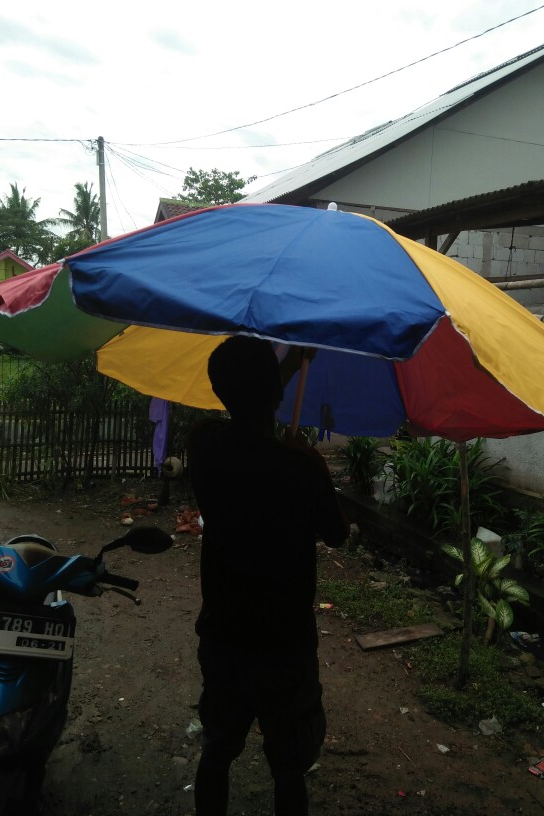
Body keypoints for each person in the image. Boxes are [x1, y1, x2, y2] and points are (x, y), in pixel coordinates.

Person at [188, 336, 349, 816]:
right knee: (288, 767)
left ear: (219, 391)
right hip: (285, 643)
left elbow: (251, 404)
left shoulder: (204, 444)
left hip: (225, 635)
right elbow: (337, 535)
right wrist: (314, 462)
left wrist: (291, 368)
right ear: (276, 398)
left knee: (217, 752)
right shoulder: (300, 467)